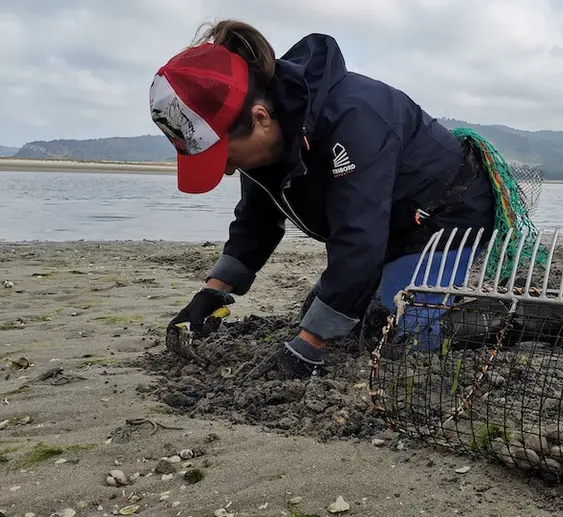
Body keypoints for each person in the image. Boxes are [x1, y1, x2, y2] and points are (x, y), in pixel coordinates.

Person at [152, 20, 537, 380]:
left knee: (401, 333)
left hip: (448, 213)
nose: (227, 172)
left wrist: (309, 346)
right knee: (330, 316)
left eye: (226, 157)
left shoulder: (354, 118)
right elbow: (256, 220)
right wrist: (213, 292)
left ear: (260, 118)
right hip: (390, 220)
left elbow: (359, 238)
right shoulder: (266, 135)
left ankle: (532, 318)